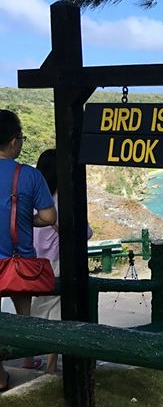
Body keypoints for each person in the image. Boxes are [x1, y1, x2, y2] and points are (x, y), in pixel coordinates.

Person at [0, 110, 57, 390]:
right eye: (21, 138)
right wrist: (26, 218)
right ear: (13, 142)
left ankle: (0, 374)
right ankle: (29, 358)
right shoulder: (29, 176)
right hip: (19, 262)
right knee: (25, 316)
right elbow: (48, 218)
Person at [29, 149, 93, 374]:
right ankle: (51, 365)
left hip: (32, 261)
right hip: (57, 262)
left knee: (34, 311)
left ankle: (28, 357)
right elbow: (85, 233)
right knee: (56, 313)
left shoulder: (33, 196)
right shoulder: (62, 199)